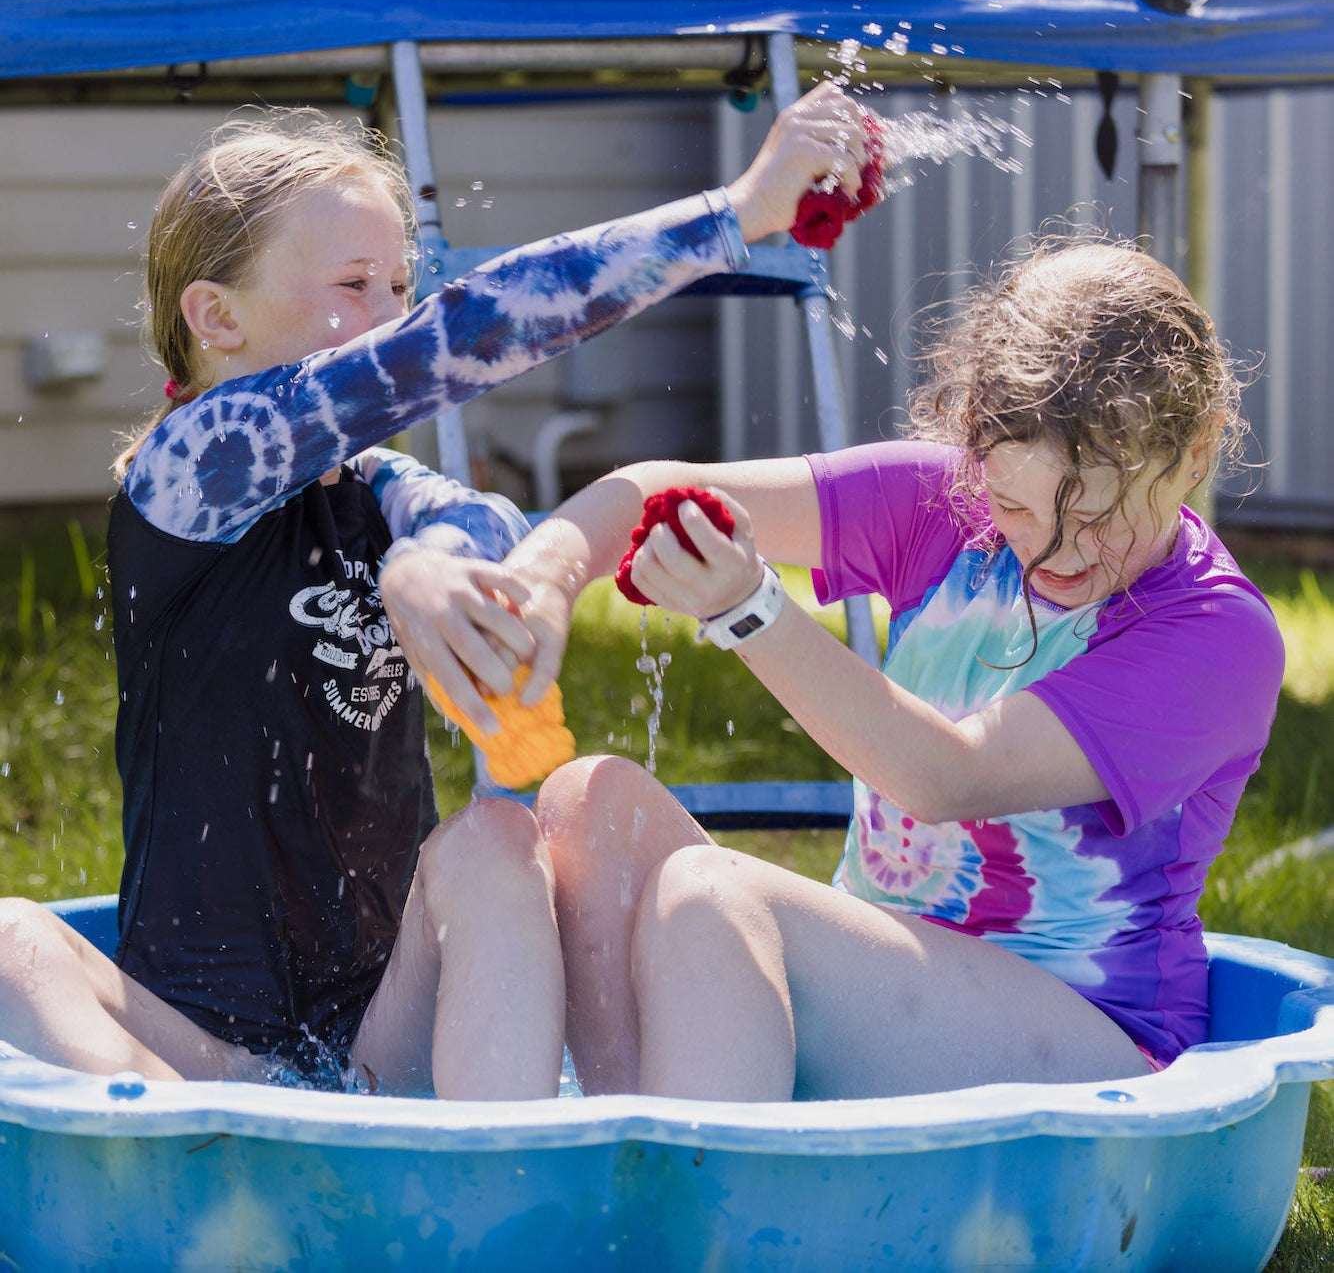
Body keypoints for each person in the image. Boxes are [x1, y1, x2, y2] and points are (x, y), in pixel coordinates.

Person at [0, 85, 871, 1097]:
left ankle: (490, 1193)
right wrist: (733, 217)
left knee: (497, 838)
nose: (388, 318)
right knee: (13, 938)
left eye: (398, 286)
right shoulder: (192, 468)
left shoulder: (376, 489)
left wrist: (427, 566)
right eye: (355, 284)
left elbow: (488, 530)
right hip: (197, 1056)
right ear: (216, 317)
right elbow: (453, 339)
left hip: (380, 1035)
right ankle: (207, 1161)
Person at [480, 236, 1286, 1101]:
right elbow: (652, 491)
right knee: (586, 803)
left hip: (1092, 1045)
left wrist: (749, 607)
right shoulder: (944, 507)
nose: (1052, 552)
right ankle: (631, 1154)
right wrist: (544, 579)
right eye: (1015, 505)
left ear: (1195, 453)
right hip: (891, 994)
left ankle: (724, 1214)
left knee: (711, 897)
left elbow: (948, 774)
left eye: (1097, 514)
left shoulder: (1215, 636)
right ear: (979, 451)